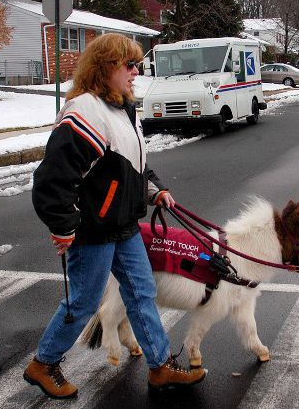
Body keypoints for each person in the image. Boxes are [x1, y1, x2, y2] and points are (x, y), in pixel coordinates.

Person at [24, 33, 206, 399]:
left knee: (142, 291)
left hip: (123, 227)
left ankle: (160, 366)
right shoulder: (86, 111)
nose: (137, 72)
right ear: (106, 68)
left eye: (137, 64)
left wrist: (156, 190)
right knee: (85, 301)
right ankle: (43, 363)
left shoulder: (122, 108)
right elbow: (52, 179)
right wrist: (62, 225)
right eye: (130, 65)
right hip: (92, 230)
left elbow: (132, 165)